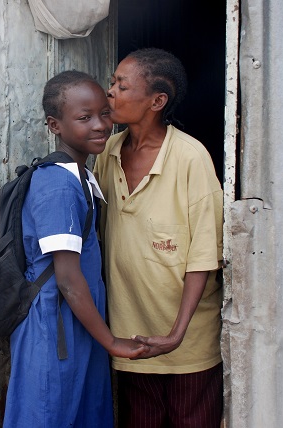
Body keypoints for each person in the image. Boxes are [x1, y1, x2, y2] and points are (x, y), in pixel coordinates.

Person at [3, 70, 149, 428]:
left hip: (76, 325)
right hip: (54, 330)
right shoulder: (59, 186)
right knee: (51, 412)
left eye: (104, 113)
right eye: (84, 118)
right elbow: (67, 280)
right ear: (55, 125)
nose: (100, 125)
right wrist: (112, 342)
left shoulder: (80, 176)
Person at [94, 48, 224, 427]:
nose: (111, 92)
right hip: (131, 337)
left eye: (121, 85)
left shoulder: (190, 157)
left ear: (157, 100)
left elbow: (203, 256)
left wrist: (176, 335)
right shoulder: (108, 154)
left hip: (187, 342)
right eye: (112, 83)